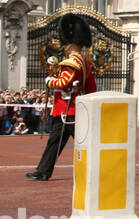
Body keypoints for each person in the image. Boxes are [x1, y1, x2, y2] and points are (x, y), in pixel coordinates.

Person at [26, 13, 96, 181]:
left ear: (70, 43)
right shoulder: (85, 62)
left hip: (66, 109)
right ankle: (43, 171)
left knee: (62, 142)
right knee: (61, 142)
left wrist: (50, 81)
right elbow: (91, 88)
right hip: (75, 109)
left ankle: (43, 171)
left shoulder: (71, 63)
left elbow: (63, 82)